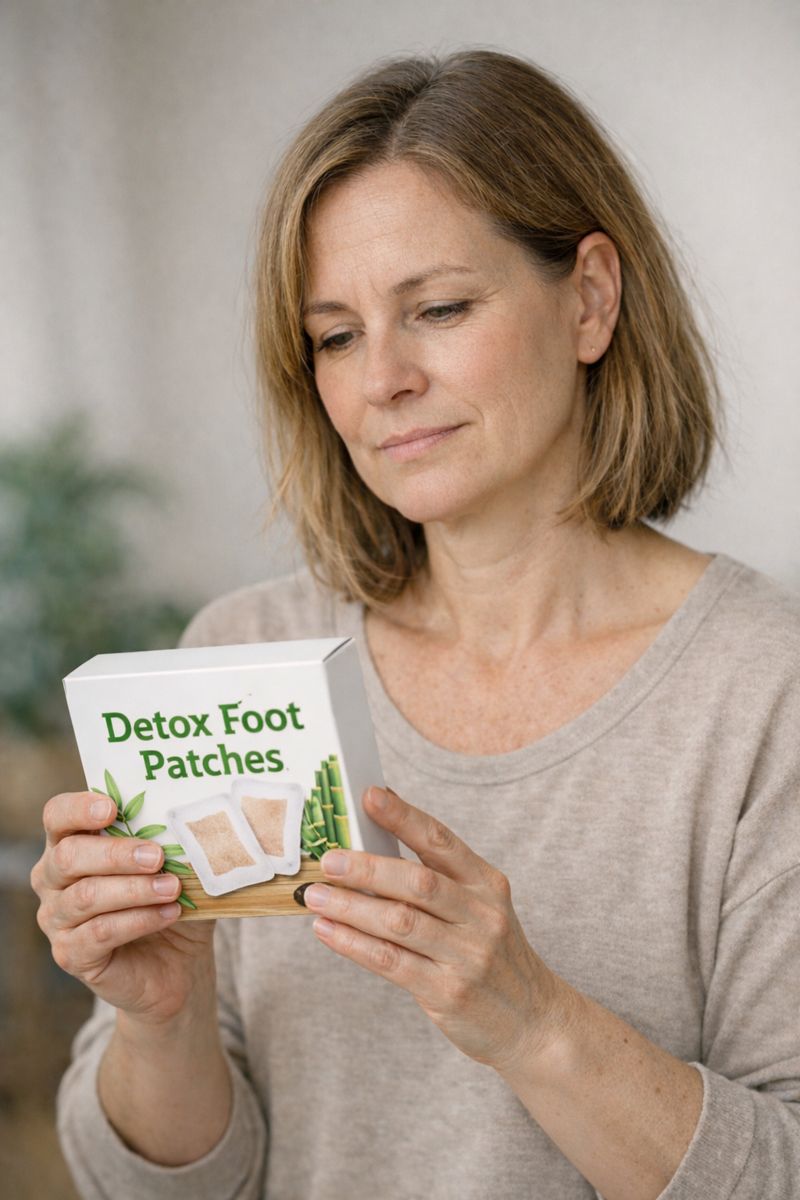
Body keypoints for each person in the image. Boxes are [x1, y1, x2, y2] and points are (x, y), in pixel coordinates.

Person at [32, 48, 799, 1200]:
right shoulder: (237, 660)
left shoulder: (762, 687)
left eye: (436, 309)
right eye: (335, 335)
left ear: (588, 298)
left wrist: (531, 1022)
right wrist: (157, 1023)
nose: (380, 378)